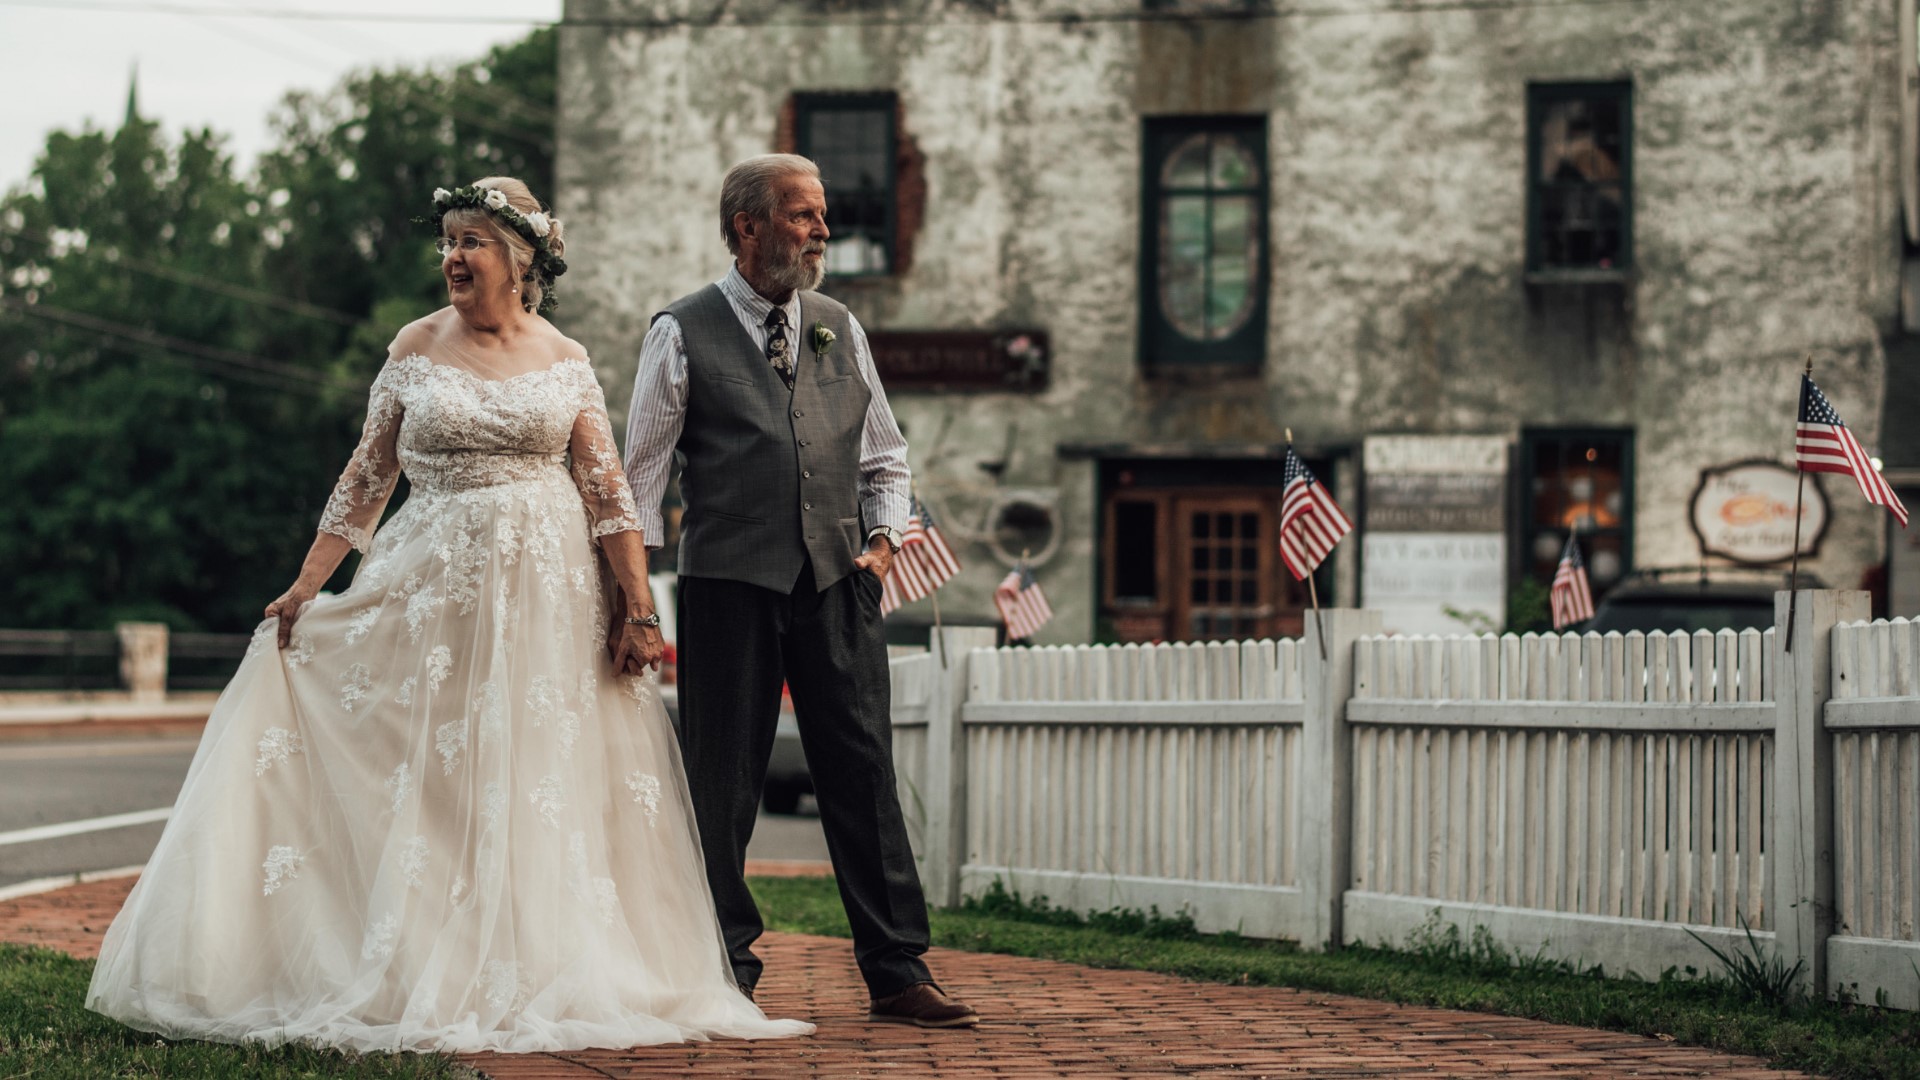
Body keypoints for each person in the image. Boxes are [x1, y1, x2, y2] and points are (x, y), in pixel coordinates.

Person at [85, 177, 813, 1053]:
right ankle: (420, 954)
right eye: (448, 241)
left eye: (471, 241)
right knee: (433, 780)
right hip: (428, 590)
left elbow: (611, 496)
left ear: (520, 259)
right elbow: (367, 478)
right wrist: (306, 586)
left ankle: (538, 960)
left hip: (551, 598)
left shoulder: (566, 357)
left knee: (535, 775)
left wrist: (637, 612)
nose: (453, 258)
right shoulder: (415, 344)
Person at [621, 154, 978, 1028]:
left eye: (821, 216)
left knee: (861, 772)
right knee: (723, 780)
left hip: (839, 580)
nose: (822, 231)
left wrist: (886, 540)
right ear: (747, 227)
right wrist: (635, 601)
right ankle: (722, 966)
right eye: (803, 216)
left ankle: (897, 969)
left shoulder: (837, 326)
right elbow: (638, 483)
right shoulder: (681, 330)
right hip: (727, 583)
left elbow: (884, 456)